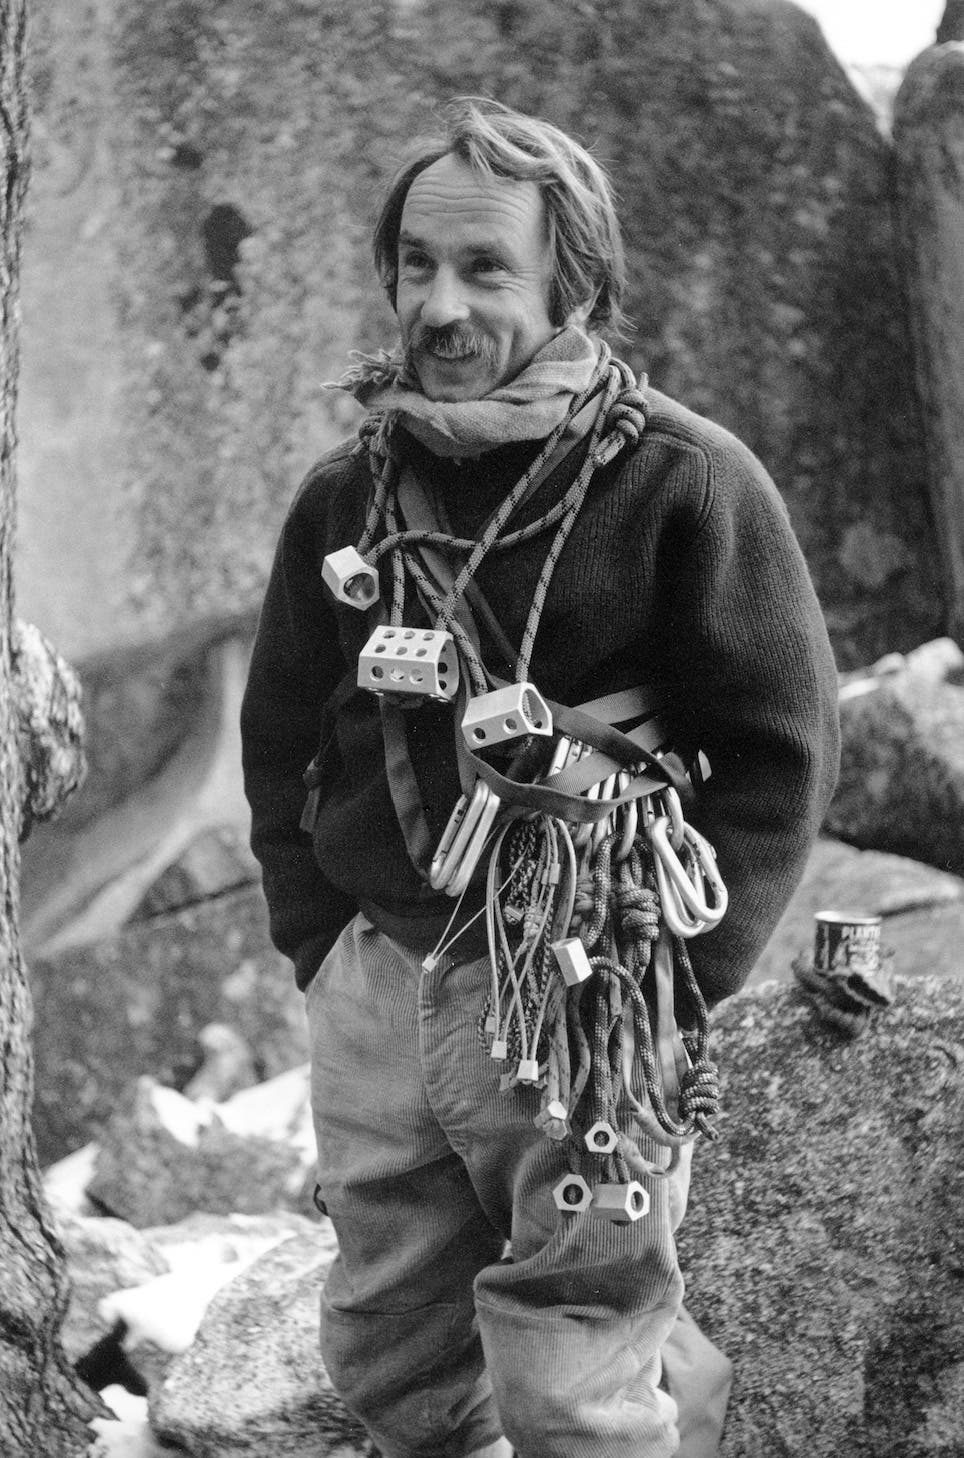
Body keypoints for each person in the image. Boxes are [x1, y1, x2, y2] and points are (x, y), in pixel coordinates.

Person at [241, 96, 840, 1458]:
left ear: (574, 283)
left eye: (486, 269)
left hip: (590, 994)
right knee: (388, 1353)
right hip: (380, 983)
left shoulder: (688, 482)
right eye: (416, 267)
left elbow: (780, 743)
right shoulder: (349, 497)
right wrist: (319, 940)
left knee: (577, 1371)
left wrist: (676, 972)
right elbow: (283, 731)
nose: (439, 306)